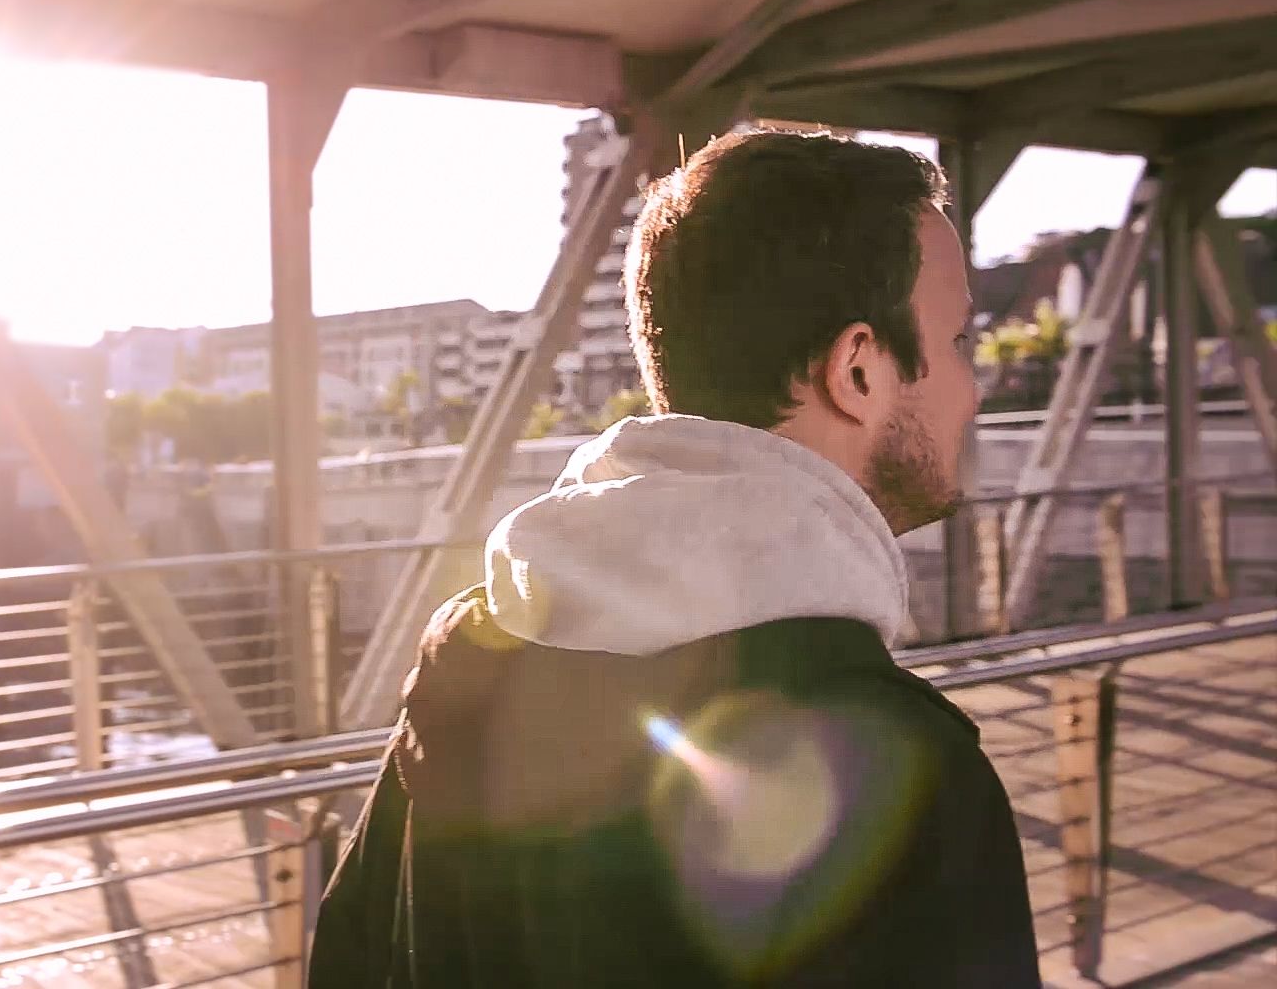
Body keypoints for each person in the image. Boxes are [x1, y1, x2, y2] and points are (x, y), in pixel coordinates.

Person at [307, 130, 1040, 988]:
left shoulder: (463, 671)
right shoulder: (914, 776)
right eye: (959, 342)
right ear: (858, 371)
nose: (974, 390)